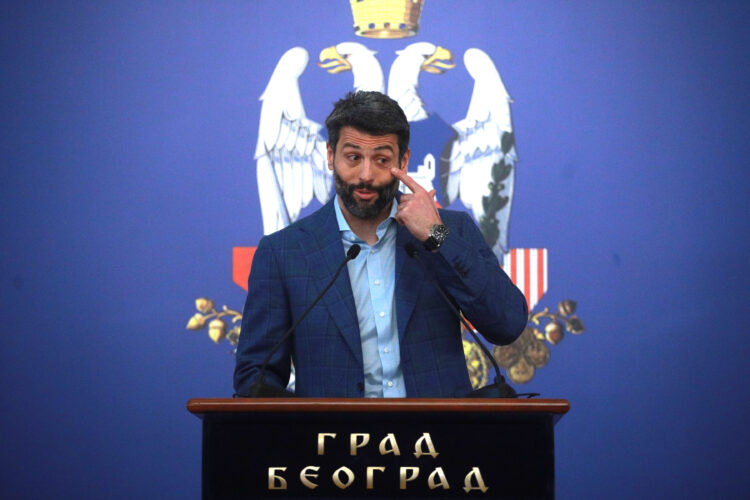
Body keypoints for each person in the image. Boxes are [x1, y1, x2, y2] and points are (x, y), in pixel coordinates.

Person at [234, 91, 527, 398]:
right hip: (331, 429)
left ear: (404, 160)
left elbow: (506, 324)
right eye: (353, 157)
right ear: (330, 155)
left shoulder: (451, 231)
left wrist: (436, 236)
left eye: (382, 160)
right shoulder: (284, 252)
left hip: (436, 427)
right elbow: (256, 376)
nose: (366, 175)